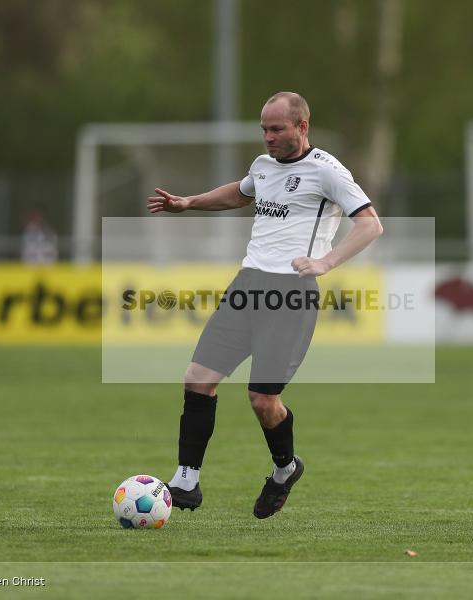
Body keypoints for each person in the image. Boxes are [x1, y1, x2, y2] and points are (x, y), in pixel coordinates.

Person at [146, 92, 383, 519]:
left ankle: (285, 469)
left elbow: (370, 225)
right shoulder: (263, 165)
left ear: (302, 127)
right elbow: (239, 194)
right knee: (198, 379)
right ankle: (186, 480)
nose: (268, 138)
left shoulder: (327, 171)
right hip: (247, 284)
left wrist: (325, 262)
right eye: (264, 130)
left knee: (262, 400)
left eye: (276, 130)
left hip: (292, 292)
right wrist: (188, 203)